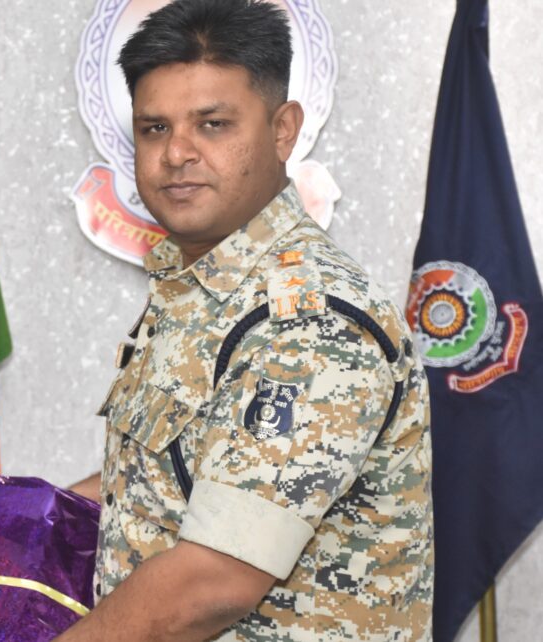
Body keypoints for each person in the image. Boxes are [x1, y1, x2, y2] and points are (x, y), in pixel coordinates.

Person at [58, 1, 432, 640]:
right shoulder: (201, 285)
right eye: (154, 128)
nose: (177, 152)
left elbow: (213, 583)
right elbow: (158, 480)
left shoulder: (309, 320)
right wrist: (0, 518)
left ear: (283, 130)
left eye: (213, 124)